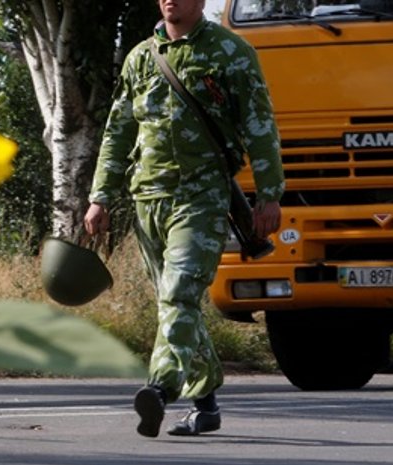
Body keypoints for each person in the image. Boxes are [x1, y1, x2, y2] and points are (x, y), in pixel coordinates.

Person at [83, 0, 285, 438]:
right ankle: (206, 405)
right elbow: (119, 130)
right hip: (147, 197)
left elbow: (259, 125)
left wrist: (269, 194)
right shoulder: (140, 57)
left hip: (202, 196)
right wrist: (100, 196)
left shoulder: (230, 52)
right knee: (176, 305)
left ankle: (159, 388)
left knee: (179, 293)